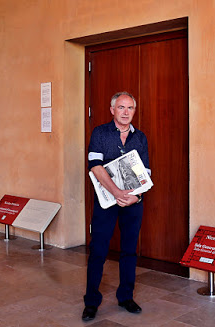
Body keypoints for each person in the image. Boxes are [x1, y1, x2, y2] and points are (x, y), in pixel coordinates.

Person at [82, 91, 151, 321]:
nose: (125, 112)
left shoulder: (140, 138)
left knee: (129, 251)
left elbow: (145, 174)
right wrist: (117, 192)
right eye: (121, 107)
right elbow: (95, 166)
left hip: (133, 203)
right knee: (99, 250)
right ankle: (91, 302)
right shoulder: (100, 133)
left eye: (130, 108)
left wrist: (136, 197)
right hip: (106, 202)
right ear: (112, 110)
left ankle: (126, 297)